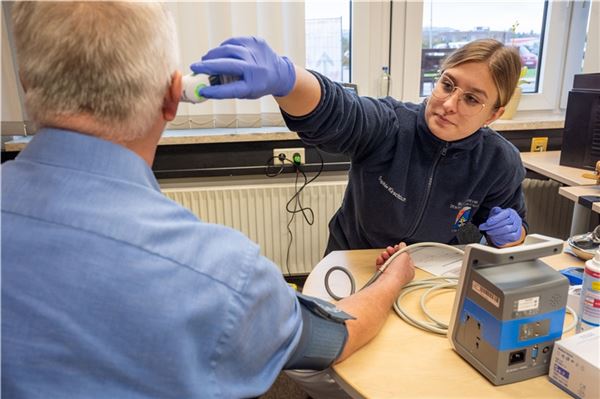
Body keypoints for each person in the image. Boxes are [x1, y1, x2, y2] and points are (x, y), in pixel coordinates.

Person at [1, 3, 415, 399]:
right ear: (172, 97)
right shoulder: (223, 273)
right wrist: (393, 277)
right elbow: (335, 338)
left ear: (25, 82)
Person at [191, 37, 529, 258]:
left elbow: (510, 230)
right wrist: (287, 80)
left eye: (471, 99)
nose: (449, 103)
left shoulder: (500, 161)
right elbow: (341, 111)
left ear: (494, 114)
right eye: (447, 84)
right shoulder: (391, 125)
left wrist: (513, 235)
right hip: (356, 258)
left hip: (430, 271)